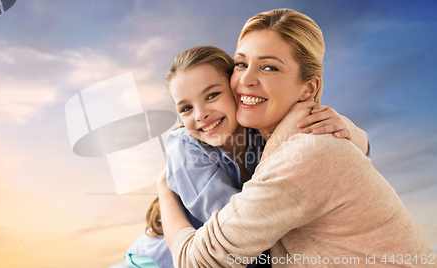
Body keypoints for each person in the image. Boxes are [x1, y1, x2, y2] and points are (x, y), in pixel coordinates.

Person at [159, 9, 435, 267]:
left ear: (308, 88)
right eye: (241, 64)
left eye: (269, 67)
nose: (246, 80)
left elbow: (195, 260)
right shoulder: (283, 142)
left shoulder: (307, 153)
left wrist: (164, 192)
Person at [113, 44, 371, 267]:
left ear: (237, 93)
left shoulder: (260, 133)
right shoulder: (184, 146)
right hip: (153, 262)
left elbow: (345, 158)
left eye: (212, 95)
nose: (200, 114)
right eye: (186, 108)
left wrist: (350, 130)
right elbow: (240, 227)